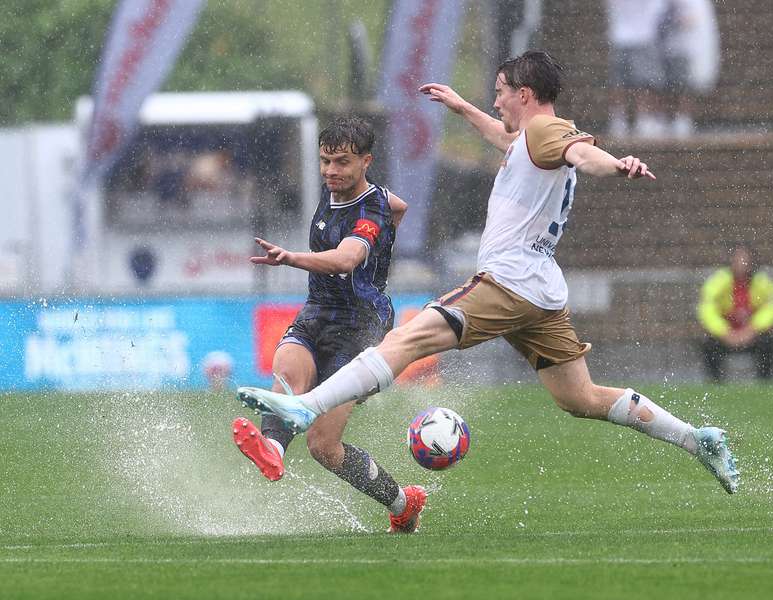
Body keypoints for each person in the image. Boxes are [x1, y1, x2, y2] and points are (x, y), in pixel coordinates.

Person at [236, 51, 741, 533]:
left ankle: (306, 407)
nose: (495, 102)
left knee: (408, 340)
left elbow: (579, 151)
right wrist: (462, 109)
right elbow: (510, 140)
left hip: (507, 280)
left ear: (525, 93)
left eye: (499, 93)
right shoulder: (528, 140)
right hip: (541, 290)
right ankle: (696, 440)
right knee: (581, 398)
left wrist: (616, 164)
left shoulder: (546, 129)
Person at [231, 116, 426, 534]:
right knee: (286, 368)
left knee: (323, 445)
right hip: (318, 310)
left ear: (366, 162)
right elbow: (401, 206)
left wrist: (292, 257)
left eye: (342, 163)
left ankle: (402, 504)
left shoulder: (370, 207)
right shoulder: (339, 191)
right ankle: (273, 449)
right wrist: (393, 235)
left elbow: (346, 259)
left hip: (361, 328)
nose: (331, 171)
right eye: (325, 162)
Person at [698, 245, 773, 383]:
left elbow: (772, 307)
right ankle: (715, 385)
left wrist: (752, 329)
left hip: (752, 337)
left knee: (769, 343)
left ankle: (764, 385)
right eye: (738, 260)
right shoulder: (719, 281)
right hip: (726, 337)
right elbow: (707, 307)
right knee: (709, 345)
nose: (742, 264)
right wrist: (724, 332)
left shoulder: (762, 282)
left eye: (745, 260)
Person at [605, 0, 669, 138]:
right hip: (643, 37)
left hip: (620, 37)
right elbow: (660, 9)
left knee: (619, 83)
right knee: (644, 82)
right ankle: (643, 119)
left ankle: (619, 119)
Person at [659, 0, 720, 138]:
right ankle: (671, 118)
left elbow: (692, 19)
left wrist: (672, 20)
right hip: (669, 47)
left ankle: (682, 119)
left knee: (683, 87)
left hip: (684, 50)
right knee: (668, 86)